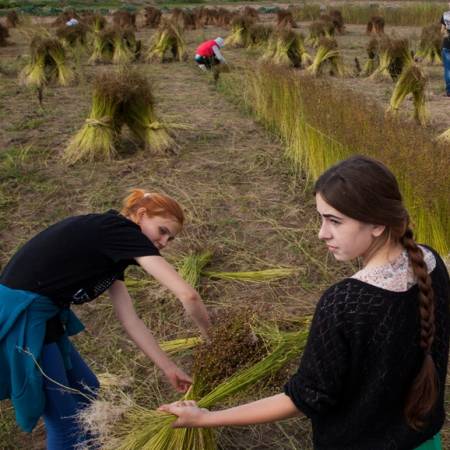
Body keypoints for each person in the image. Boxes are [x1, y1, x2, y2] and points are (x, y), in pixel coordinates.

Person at [159, 156, 449, 450]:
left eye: (335, 221)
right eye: (321, 218)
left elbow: (305, 398)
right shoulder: (430, 263)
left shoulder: (344, 302)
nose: (322, 233)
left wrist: (207, 418)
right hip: (425, 441)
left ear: (377, 224)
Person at [0, 189, 211, 450]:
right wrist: (210, 336)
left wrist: (168, 367)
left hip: (43, 316)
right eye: (163, 230)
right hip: (21, 319)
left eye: (171, 238)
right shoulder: (120, 232)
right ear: (141, 215)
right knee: (66, 425)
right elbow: (188, 295)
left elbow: (129, 319)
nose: (165, 242)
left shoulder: (112, 244)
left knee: (87, 388)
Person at [441, 4, 450, 96]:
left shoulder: (445, 15)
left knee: (448, 69)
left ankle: (449, 91)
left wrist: (447, 32)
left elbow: (442, 31)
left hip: (447, 44)